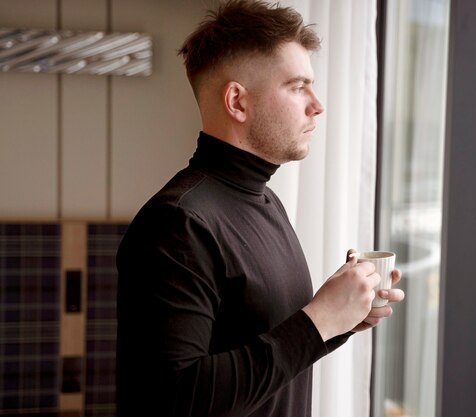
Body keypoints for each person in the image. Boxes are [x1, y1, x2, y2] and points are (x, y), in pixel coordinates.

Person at [115, 1, 405, 416]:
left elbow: (268, 345)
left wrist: (342, 317)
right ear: (237, 101)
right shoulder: (178, 223)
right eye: (297, 86)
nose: (317, 104)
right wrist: (319, 319)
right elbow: (173, 398)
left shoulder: (266, 200)